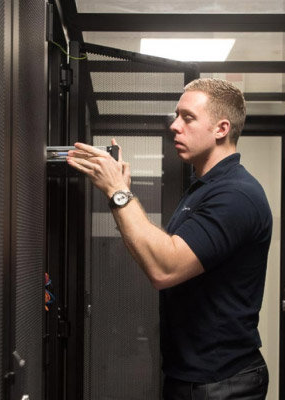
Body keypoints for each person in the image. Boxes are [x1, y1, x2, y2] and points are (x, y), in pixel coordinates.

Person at [66, 78, 272, 399]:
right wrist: (122, 193)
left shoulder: (235, 194)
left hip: (221, 382)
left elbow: (165, 268)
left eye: (188, 118)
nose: (175, 126)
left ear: (221, 129)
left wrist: (117, 191)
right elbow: (160, 252)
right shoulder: (203, 188)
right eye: (176, 116)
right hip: (193, 375)